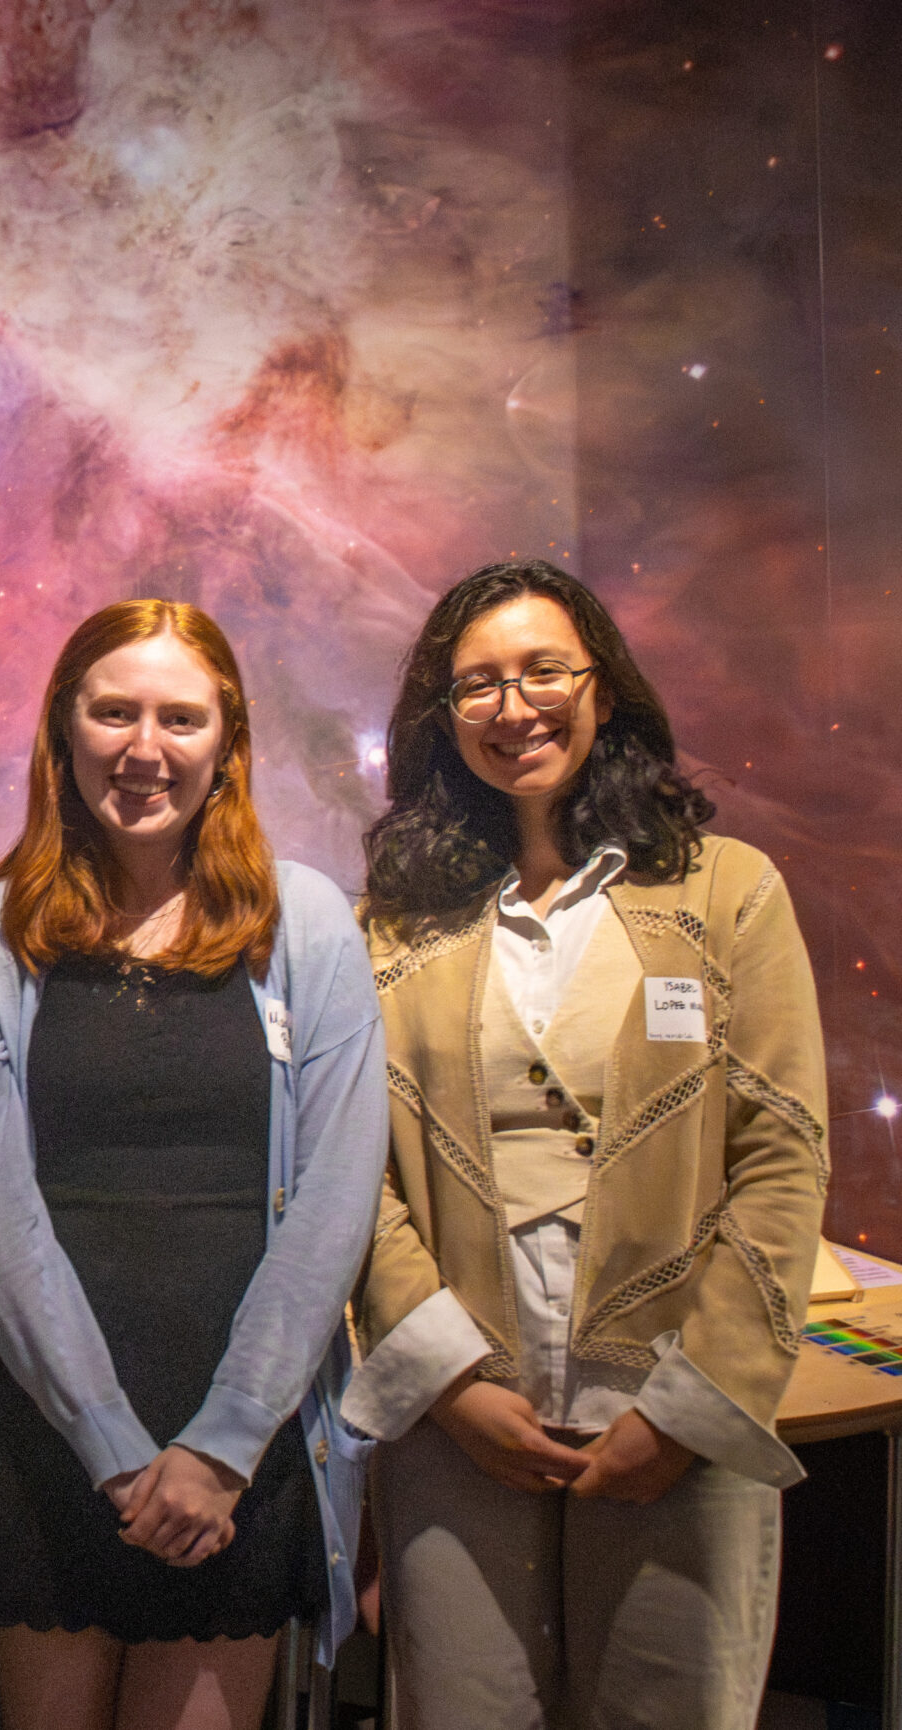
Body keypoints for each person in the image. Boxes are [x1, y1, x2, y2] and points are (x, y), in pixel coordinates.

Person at [344, 559, 826, 1728]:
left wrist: (687, 1408)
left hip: (672, 1407)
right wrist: (450, 1382)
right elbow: (356, 1174)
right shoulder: (392, 923)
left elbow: (782, 1153)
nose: (513, 706)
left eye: (543, 671)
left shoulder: (727, 891)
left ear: (601, 687)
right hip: (462, 1412)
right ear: (441, 716)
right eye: (477, 684)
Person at [0, 598, 386, 1730]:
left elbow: (334, 1200)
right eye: (113, 712)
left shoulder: (308, 922)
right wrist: (114, 1448)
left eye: (181, 717)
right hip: (51, 1428)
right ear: (62, 731)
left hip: (245, 1436)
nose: (144, 747)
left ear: (227, 742)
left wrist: (223, 1444)